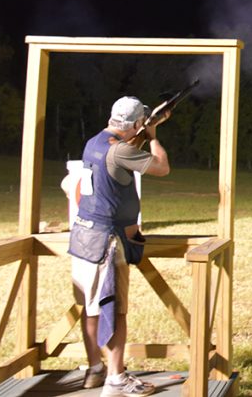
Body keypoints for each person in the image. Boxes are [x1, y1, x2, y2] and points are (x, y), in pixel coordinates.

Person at [67, 96, 171, 396]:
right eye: (142, 123)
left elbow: (120, 156)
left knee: (91, 309)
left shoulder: (95, 142)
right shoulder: (122, 149)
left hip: (84, 239)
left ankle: (95, 369)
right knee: (115, 309)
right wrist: (153, 137)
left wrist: (144, 128)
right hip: (106, 243)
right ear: (137, 124)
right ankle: (116, 378)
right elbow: (162, 167)